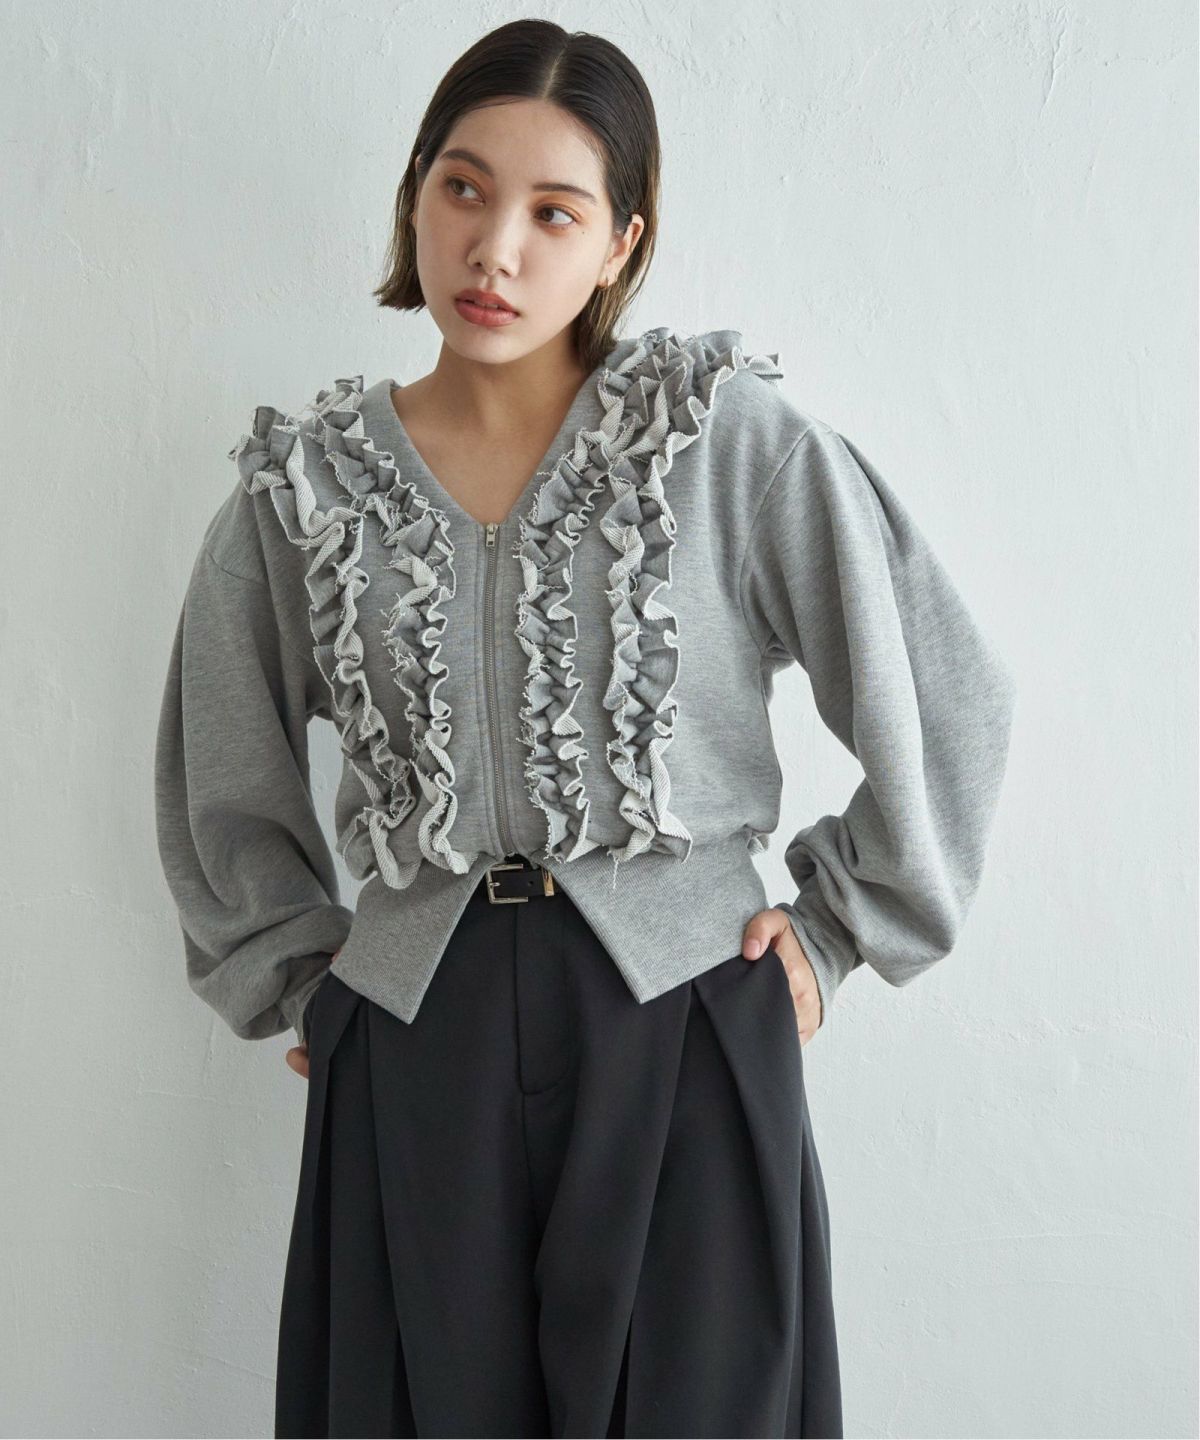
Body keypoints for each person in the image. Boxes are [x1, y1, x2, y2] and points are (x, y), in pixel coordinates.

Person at [153, 18, 1016, 1440]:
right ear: (416, 196)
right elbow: (220, 767)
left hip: (683, 1019)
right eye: (464, 188)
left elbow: (945, 687)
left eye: (554, 212)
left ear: (622, 242)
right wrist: (304, 982)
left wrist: (838, 932)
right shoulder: (306, 492)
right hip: (415, 1043)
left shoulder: (722, 447)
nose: (495, 250)